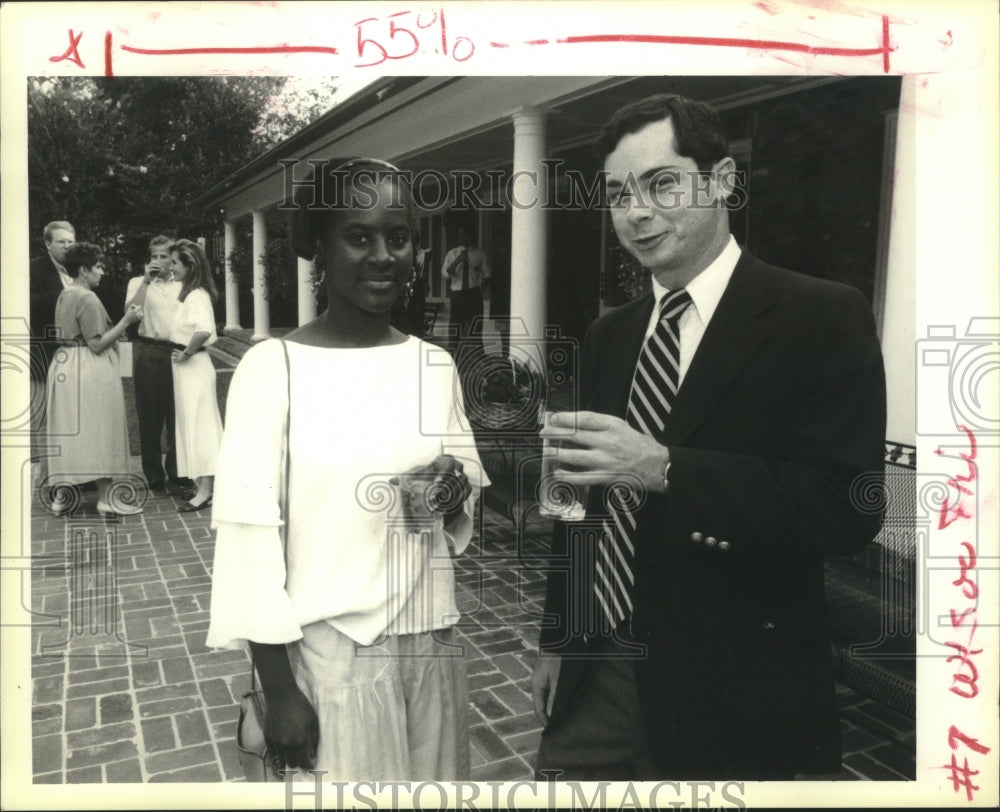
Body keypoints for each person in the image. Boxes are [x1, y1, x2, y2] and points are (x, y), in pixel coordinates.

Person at [530, 94, 887, 780]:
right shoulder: (610, 334)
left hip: (733, 696)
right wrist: (558, 640)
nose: (636, 212)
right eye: (616, 194)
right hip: (596, 674)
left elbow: (847, 508)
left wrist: (666, 470)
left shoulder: (820, 316)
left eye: (662, 182)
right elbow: (574, 507)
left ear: (722, 178)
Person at [205, 158, 488, 780]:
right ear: (319, 250)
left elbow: (463, 475)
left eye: (400, 236)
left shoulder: (433, 364)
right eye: (359, 237)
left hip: (432, 636)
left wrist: (450, 484)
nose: (384, 255)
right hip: (331, 655)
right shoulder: (271, 368)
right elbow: (249, 540)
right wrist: (279, 691)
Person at [45, 242, 144, 517]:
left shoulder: (65, 295)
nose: (102, 272)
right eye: (98, 267)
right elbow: (97, 344)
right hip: (87, 369)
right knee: (98, 430)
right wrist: (127, 321)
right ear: (82, 270)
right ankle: (105, 498)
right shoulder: (87, 298)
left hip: (65, 365)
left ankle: (62, 497)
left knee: (71, 431)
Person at [124, 235, 191, 493]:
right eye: (155, 256)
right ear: (148, 258)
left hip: (176, 351)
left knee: (177, 413)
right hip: (148, 350)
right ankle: (153, 474)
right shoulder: (137, 283)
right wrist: (146, 281)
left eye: (165, 256)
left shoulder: (183, 283)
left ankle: (177, 472)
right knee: (149, 416)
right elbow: (131, 314)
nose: (159, 261)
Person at [167, 239, 224, 513]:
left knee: (201, 427)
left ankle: (205, 491)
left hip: (195, 368)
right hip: (188, 370)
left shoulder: (197, 296)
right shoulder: (190, 295)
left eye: (176, 262)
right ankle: (202, 484)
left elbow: (203, 330)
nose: (171, 267)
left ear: (190, 266)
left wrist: (186, 353)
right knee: (193, 425)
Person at [29, 221, 75, 472]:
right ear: (48, 244)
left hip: (74, 358)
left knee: (72, 419)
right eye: (61, 241)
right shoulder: (33, 269)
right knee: (45, 422)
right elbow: (29, 305)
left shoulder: (78, 268)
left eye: (70, 241)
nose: (67, 247)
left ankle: (77, 476)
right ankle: (48, 481)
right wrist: (66, 293)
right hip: (43, 357)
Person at [441, 226, 490, 359]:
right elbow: (445, 274)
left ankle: (479, 360)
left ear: (471, 236)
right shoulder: (453, 253)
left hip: (474, 295)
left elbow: (486, 275)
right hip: (458, 296)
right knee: (455, 328)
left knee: (476, 328)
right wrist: (457, 261)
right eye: (460, 234)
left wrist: (480, 288)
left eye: (465, 234)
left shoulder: (479, 254)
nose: (462, 237)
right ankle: (452, 360)